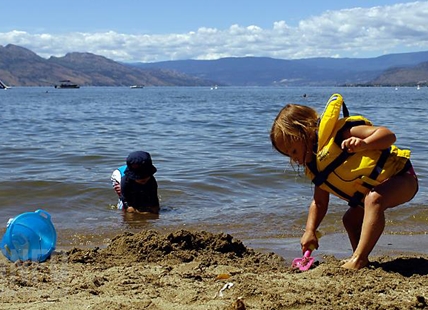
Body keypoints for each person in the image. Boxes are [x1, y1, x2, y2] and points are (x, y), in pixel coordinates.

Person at [270, 93, 418, 270]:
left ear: (306, 130)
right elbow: (319, 202)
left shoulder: (341, 133)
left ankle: (358, 259)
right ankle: (360, 257)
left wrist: (365, 143)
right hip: (375, 188)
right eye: (288, 155)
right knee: (350, 220)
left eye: (293, 151)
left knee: (374, 198)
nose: (293, 159)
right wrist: (310, 231)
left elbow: (388, 135)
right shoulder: (317, 166)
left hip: (403, 177)